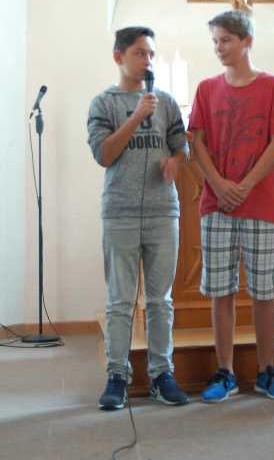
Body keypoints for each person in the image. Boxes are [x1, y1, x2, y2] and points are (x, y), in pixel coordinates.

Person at [188, 10, 274, 403]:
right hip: (216, 203)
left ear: (247, 41)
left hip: (260, 201)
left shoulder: (272, 86)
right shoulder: (207, 88)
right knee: (221, 291)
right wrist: (219, 184)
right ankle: (226, 371)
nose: (219, 48)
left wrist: (247, 184)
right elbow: (197, 141)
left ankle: (267, 370)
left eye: (226, 40)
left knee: (263, 291)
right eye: (215, 41)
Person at [87, 27, 190, 411]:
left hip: (163, 212)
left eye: (150, 54)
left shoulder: (166, 101)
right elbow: (104, 154)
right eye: (139, 53)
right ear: (119, 57)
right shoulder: (104, 103)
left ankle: (162, 374)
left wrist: (174, 162)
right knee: (120, 301)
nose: (147, 61)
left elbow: (182, 147)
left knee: (161, 300)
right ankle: (117, 376)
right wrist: (136, 116)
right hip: (121, 212)